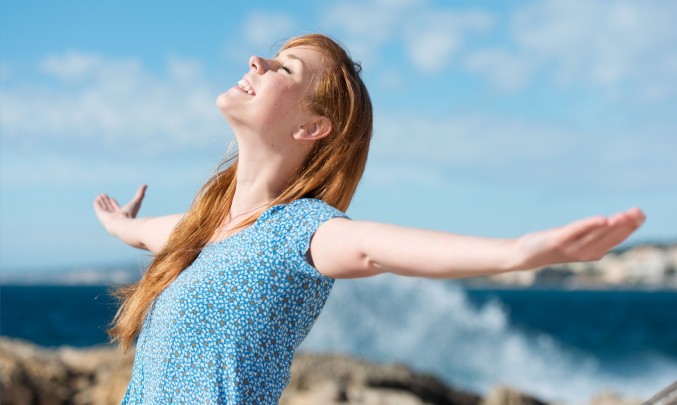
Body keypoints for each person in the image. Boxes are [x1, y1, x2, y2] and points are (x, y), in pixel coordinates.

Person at [93, 33, 645, 404]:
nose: (255, 62)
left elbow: (384, 247)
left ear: (312, 127)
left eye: (285, 67)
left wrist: (523, 253)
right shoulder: (199, 228)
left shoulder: (301, 232)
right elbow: (145, 233)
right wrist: (120, 223)